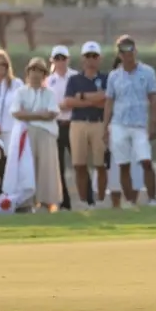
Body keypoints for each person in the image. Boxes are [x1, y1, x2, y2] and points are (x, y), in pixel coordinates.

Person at [103, 35, 156, 208]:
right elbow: (109, 102)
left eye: (130, 49)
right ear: (119, 54)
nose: (128, 54)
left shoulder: (148, 72)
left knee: (146, 161)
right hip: (119, 123)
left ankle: (152, 199)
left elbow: (154, 100)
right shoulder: (114, 76)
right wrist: (105, 127)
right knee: (123, 164)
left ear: (135, 50)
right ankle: (129, 202)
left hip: (139, 124)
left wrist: (153, 124)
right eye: (123, 50)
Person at [62, 41, 110, 209]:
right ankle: (83, 202)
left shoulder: (106, 78)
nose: (91, 59)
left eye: (94, 56)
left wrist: (82, 96)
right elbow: (68, 101)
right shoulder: (74, 79)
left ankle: (102, 200)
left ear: (99, 58)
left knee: (100, 164)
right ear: (83, 59)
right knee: (79, 165)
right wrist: (94, 100)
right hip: (78, 124)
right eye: (88, 56)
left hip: (99, 124)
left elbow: (107, 100)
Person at [12, 57, 63, 212]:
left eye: (39, 71)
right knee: (28, 167)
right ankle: (27, 202)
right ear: (28, 73)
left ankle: (48, 201)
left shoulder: (49, 93)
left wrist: (30, 115)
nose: (35, 74)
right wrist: (38, 115)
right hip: (27, 133)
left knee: (47, 167)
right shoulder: (20, 92)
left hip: (46, 133)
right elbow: (16, 113)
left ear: (44, 75)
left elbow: (51, 114)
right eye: (33, 70)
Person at [45, 45, 82, 209]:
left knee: (79, 163)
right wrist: (63, 105)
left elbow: (81, 100)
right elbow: (47, 105)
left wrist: (69, 104)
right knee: (58, 166)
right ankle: (65, 203)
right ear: (52, 60)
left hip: (73, 123)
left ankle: (85, 199)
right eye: (57, 58)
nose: (60, 62)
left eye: (63, 58)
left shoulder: (76, 77)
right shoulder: (48, 81)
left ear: (68, 59)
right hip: (56, 125)